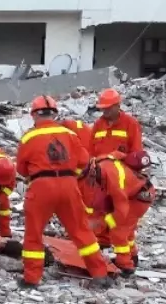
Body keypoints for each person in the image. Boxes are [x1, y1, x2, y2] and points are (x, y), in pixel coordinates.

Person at [16, 95, 115, 289]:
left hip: (41, 186)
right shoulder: (69, 134)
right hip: (69, 185)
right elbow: (84, 162)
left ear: (34, 115)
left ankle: (31, 279)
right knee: (82, 231)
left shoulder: (29, 137)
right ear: (55, 114)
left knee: (34, 234)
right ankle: (100, 275)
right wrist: (70, 177)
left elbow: (21, 168)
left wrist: (37, 177)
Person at [79, 150, 155, 276]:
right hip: (137, 192)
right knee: (127, 230)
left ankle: (125, 265)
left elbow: (121, 210)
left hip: (141, 197)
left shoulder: (115, 180)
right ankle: (133, 256)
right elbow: (116, 154)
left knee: (118, 231)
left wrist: (104, 222)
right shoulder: (100, 160)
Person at [91, 88, 143, 157]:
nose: (105, 110)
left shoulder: (131, 123)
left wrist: (123, 156)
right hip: (101, 166)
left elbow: (137, 153)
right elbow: (91, 150)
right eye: (103, 108)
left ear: (118, 106)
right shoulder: (98, 125)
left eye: (108, 108)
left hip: (123, 166)